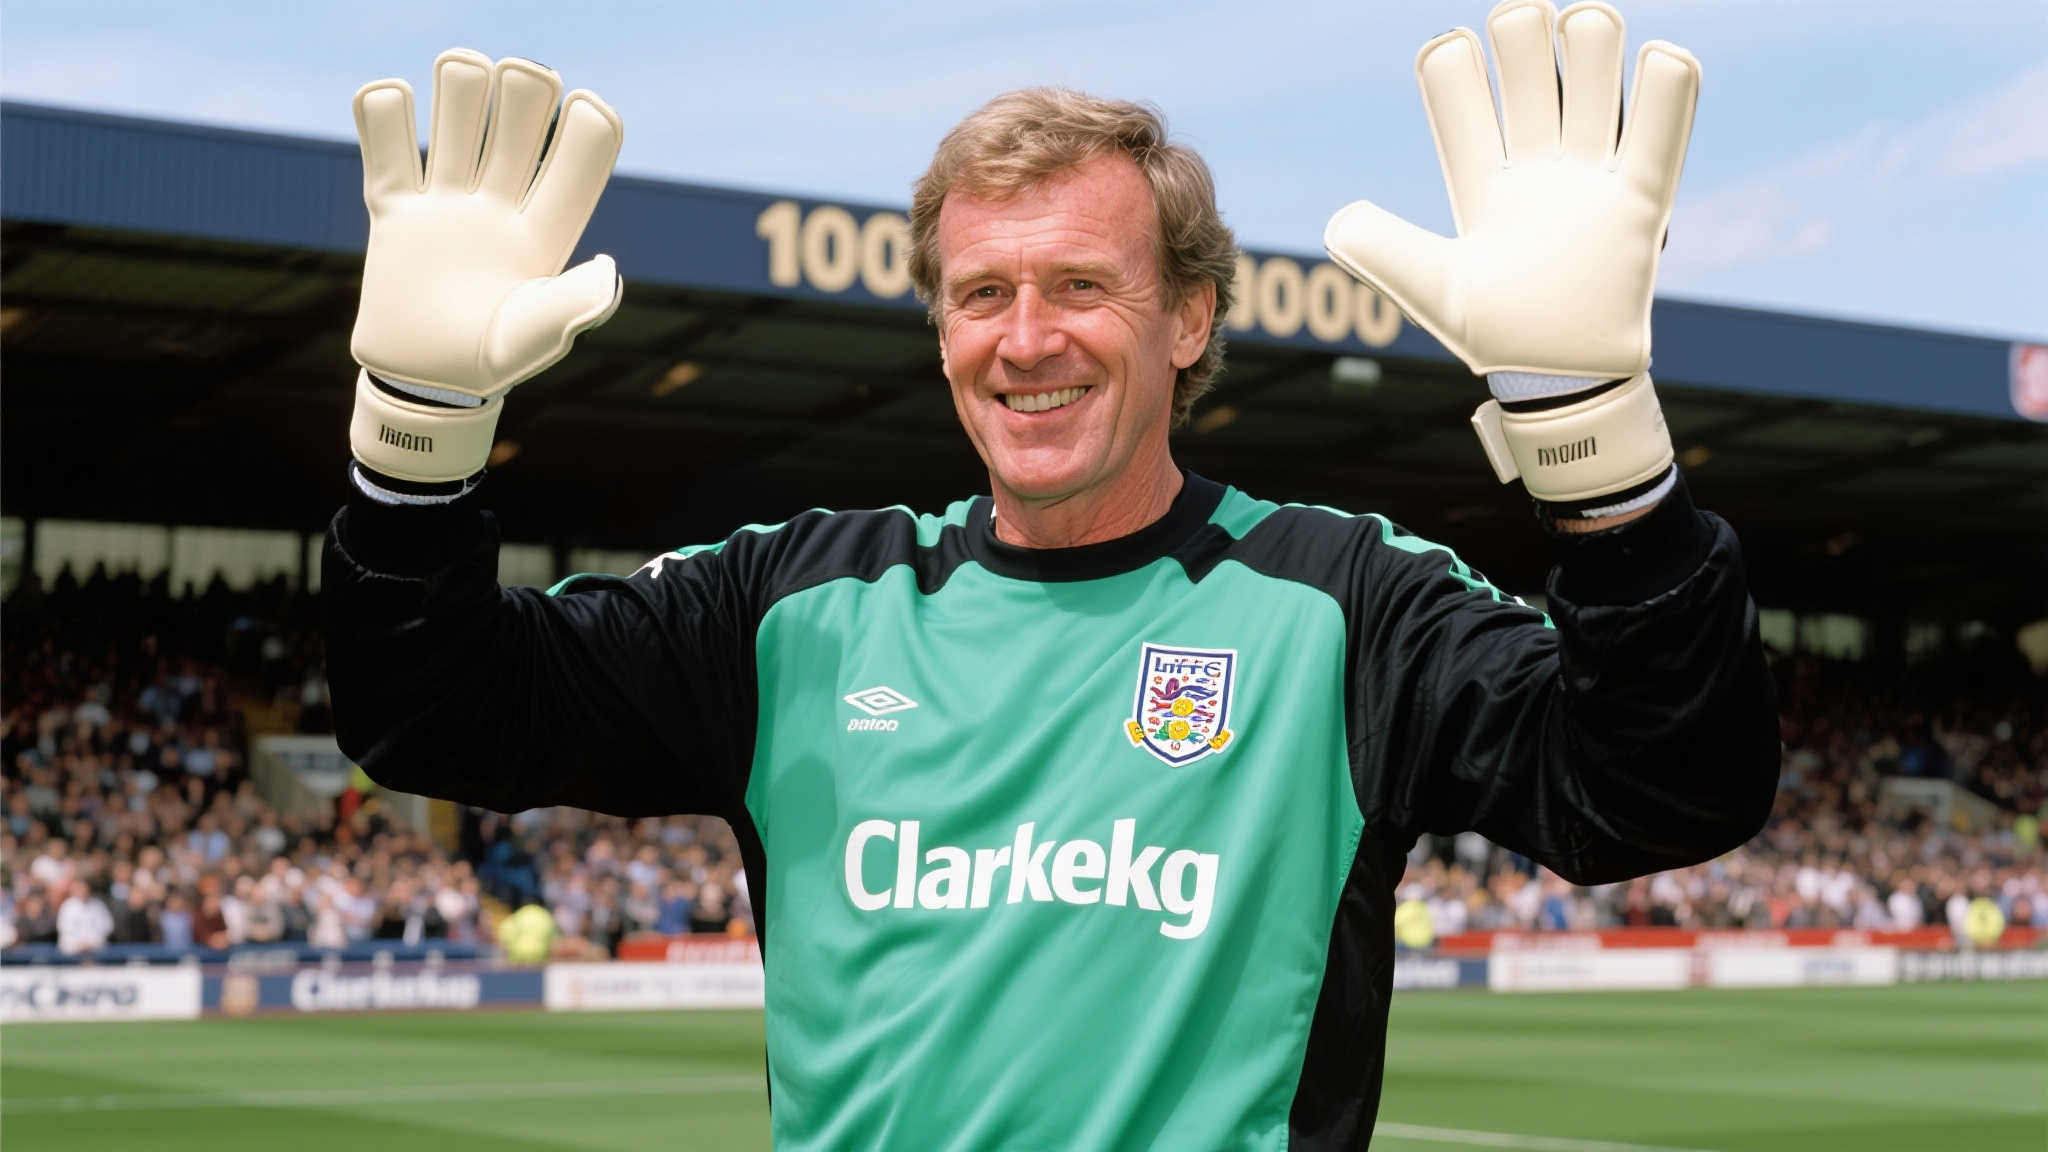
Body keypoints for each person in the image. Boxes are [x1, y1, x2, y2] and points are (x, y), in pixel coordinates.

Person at [322, 3, 1778, 1147]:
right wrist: (418, 440)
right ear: (940, 328)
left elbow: (1663, 787)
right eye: (982, 294)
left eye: (1083, 285)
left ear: (1189, 319)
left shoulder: (1344, 606)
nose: (1027, 339)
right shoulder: (792, 608)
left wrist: (1591, 438)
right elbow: (433, 714)